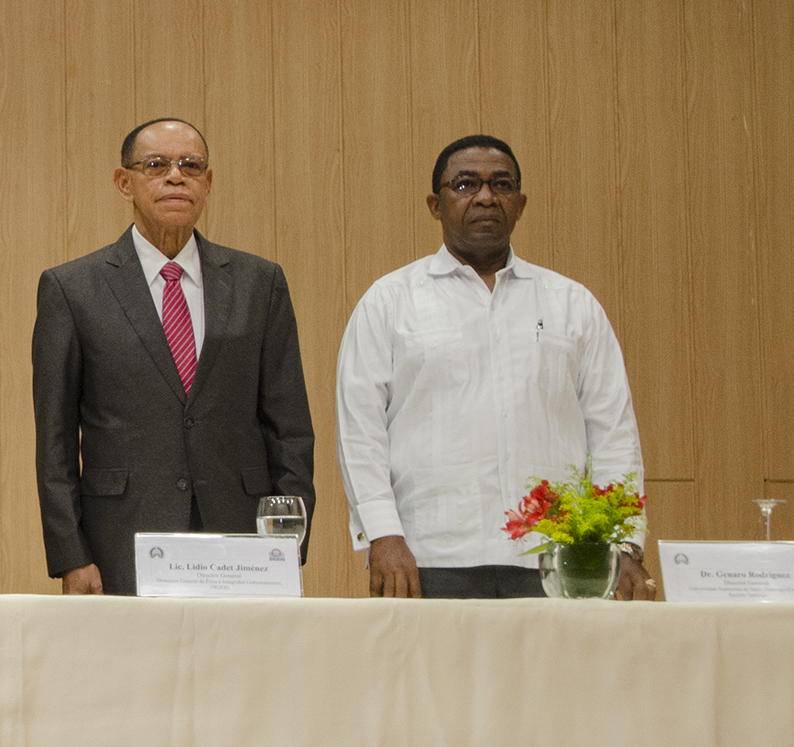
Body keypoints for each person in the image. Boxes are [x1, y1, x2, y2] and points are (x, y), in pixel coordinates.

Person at [335, 134, 655, 600]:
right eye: (465, 185)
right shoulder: (389, 302)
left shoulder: (572, 304)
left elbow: (613, 433)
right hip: (428, 556)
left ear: (520, 204)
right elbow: (359, 433)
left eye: (500, 184)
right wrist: (382, 535)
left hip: (558, 556)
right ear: (435, 204)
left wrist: (624, 541)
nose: (485, 196)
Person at [33, 118, 315, 595]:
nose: (175, 176)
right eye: (156, 165)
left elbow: (289, 425)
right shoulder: (72, 288)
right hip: (121, 536)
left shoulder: (258, 283)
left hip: (242, 536)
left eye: (190, 165)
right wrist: (70, 555)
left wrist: (289, 538)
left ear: (208, 182)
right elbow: (55, 440)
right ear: (125, 182)